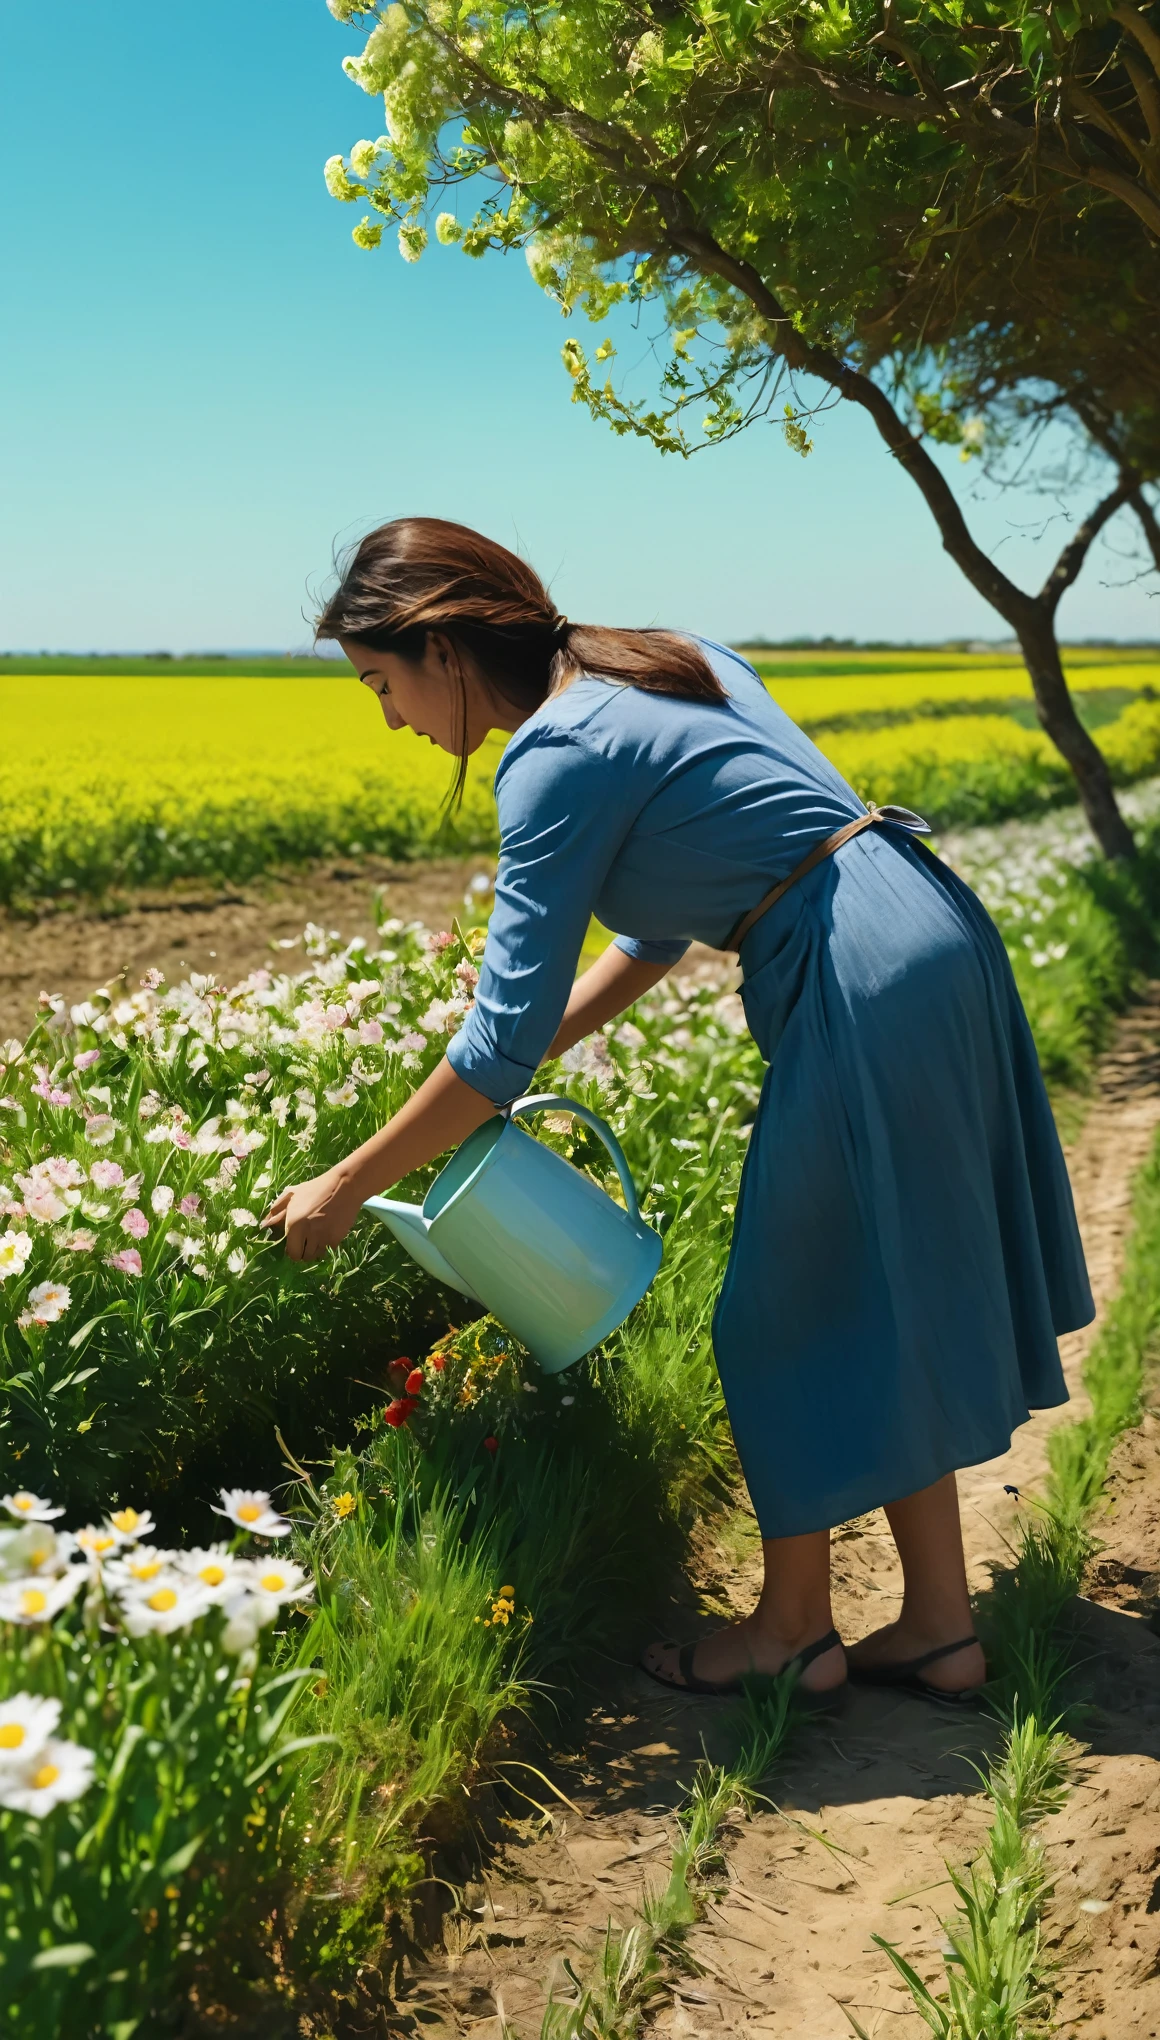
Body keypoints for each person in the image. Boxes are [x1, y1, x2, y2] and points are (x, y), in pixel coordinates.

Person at [263, 516, 1093, 1708]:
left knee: (776, 1307)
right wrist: (534, 1037)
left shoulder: (547, 756)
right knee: (878, 1274)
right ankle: (936, 1624)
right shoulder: (659, 657)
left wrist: (343, 1184)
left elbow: (492, 1051)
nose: (387, 718)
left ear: (441, 647)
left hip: (850, 965)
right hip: (921, 924)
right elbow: (656, 933)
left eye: (377, 683)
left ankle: (791, 1633)